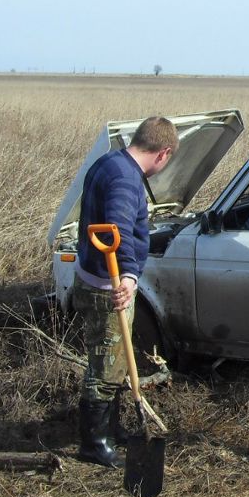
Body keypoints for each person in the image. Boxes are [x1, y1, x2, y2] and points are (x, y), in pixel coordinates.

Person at [74, 116, 179, 467]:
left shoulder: (110, 162)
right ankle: (94, 443)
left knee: (116, 360)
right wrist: (130, 277)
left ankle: (113, 429)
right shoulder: (124, 178)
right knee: (105, 367)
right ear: (163, 153)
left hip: (95, 277)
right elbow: (116, 229)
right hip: (109, 285)